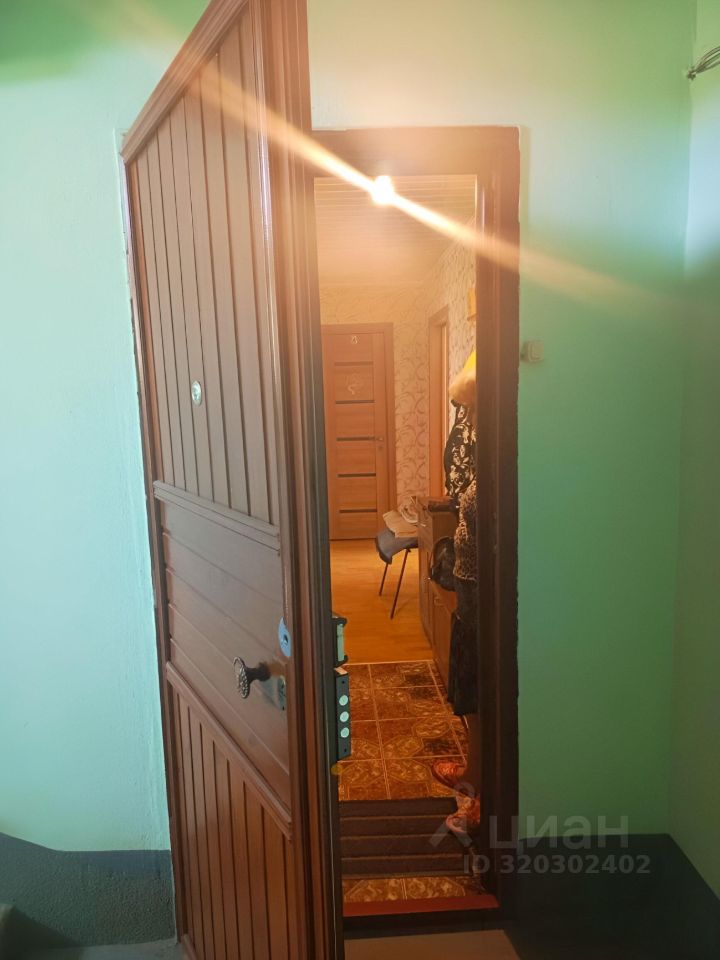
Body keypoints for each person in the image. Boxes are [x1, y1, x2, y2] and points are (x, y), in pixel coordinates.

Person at [431, 350, 481, 835]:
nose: (469, 419)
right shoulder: (481, 437)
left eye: (474, 407)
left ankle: (486, 797)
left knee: (485, 691)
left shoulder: (510, 449)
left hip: (490, 591)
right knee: (471, 689)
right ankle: (474, 771)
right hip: (471, 585)